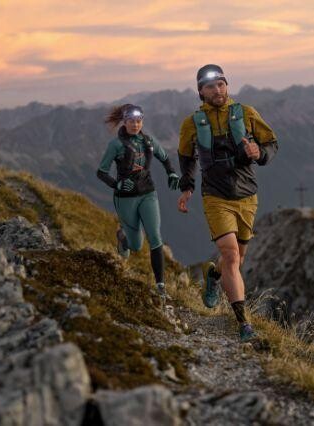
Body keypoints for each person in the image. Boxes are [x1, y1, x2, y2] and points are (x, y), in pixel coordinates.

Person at [177, 64, 278, 342]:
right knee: (232, 255)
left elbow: (271, 143)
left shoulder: (246, 113)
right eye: (210, 86)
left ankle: (213, 275)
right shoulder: (192, 123)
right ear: (201, 91)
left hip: (246, 196)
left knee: (237, 258)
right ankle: (244, 323)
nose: (217, 90)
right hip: (215, 196)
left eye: (221, 84)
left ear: (227, 86)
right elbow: (186, 158)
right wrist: (186, 189)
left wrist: (260, 153)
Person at [97, 104, 180, 305]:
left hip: (148, 193)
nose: (136, 124)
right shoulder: (115, 145)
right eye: (131, 121)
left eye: (139, 121)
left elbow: (165, 157)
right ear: (124, 122)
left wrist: (171, 172)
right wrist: (117, 183)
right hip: (125, 198)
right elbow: (101, 172)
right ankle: (123, 238)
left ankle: (160, 286)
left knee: (155, 237)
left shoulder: (148, 141)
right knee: (136, 245)